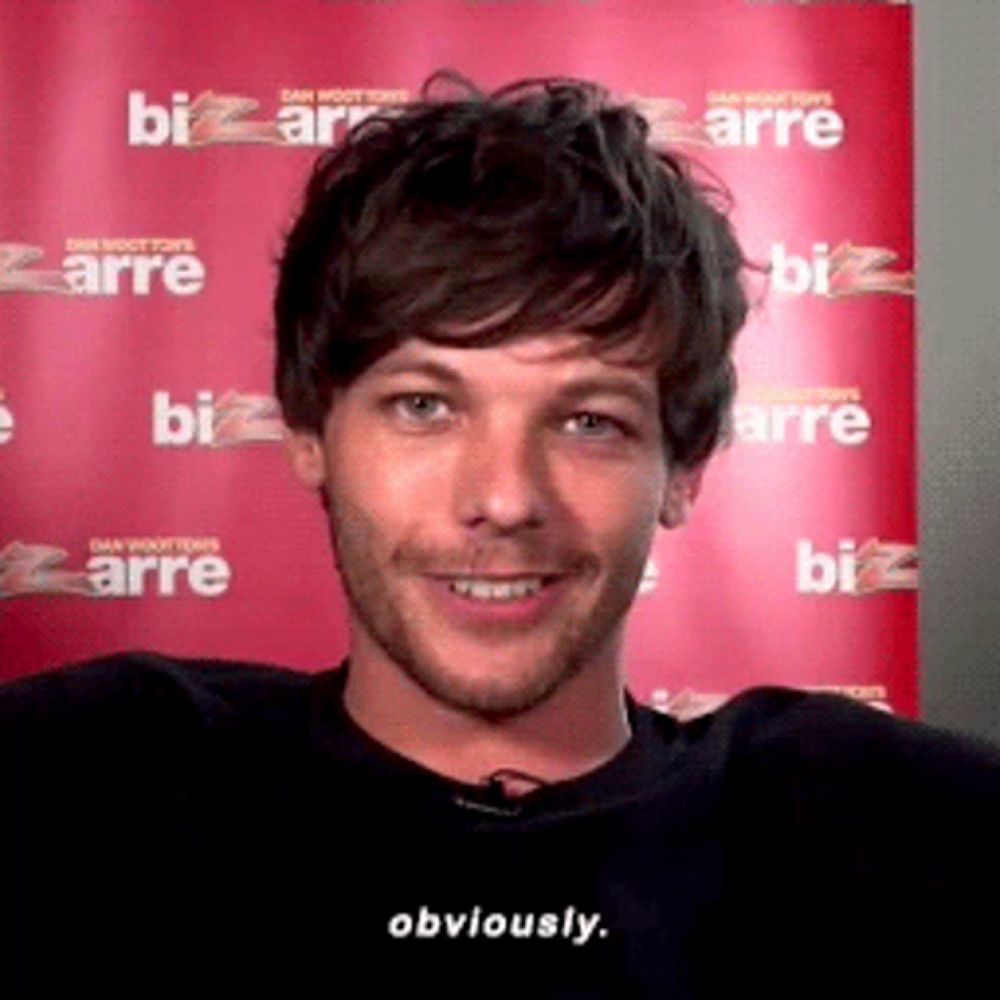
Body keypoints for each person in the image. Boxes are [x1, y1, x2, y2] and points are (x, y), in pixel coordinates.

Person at [4, 70, 999, 1000]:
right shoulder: (94, 780)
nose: (506, 496)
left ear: (682, 469)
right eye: (425, 406)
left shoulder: (880, 824)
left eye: (587, 421)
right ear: (310, 430)